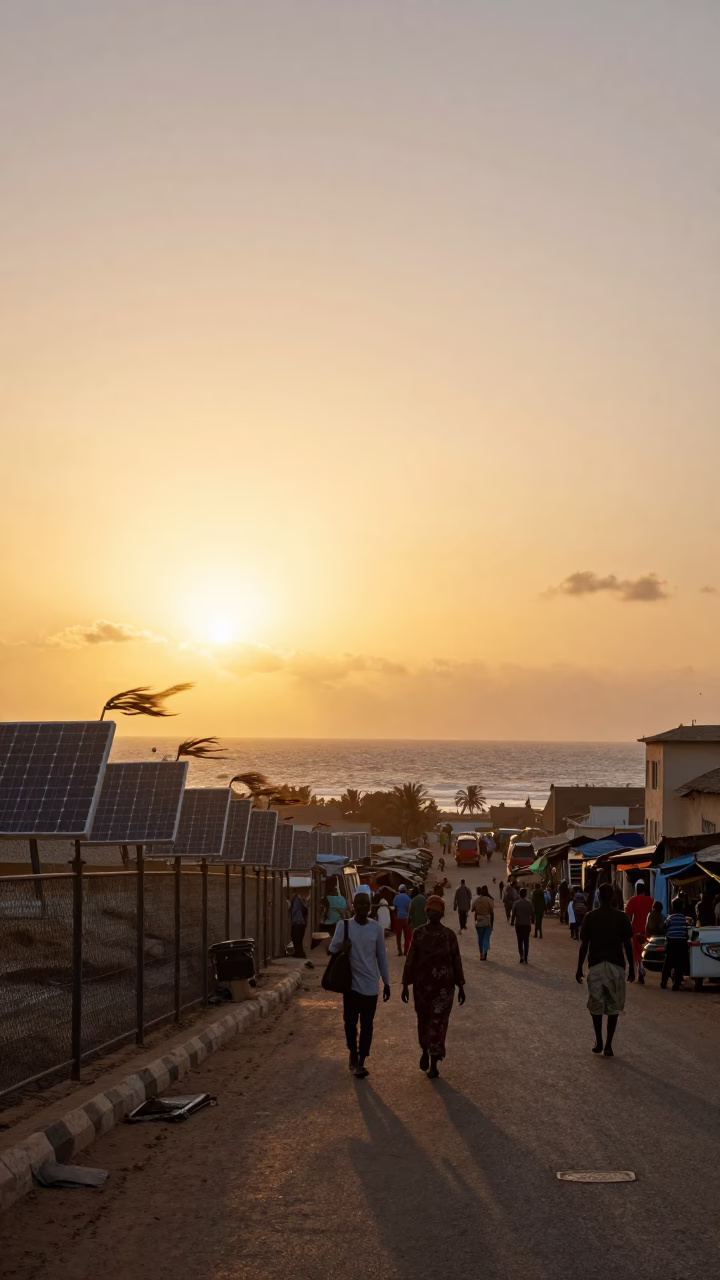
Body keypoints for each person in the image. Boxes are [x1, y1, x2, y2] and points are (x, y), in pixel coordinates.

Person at [401, 895, 466, 1078]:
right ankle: (426, 1051)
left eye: (435, 911)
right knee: (426, 1021)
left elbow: (456, 961)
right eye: (430, 910)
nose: (432, 913)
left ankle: (434, 1060)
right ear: (427, 912)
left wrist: (460, 985)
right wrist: (405, 984)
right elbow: (410, 960)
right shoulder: (423, 934)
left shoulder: (447, 935)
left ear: (440, 914)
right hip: (425, 988)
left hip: (442, 989)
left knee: (438, 1022)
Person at [328, 889, 390, 1079]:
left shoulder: (376, 929)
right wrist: (343, 948)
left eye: (366, 903)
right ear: (353, 906)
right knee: (350, 1023)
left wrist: (386, 982)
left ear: (370, 906)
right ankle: (352, 1054)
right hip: (351, 985)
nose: (363, 907)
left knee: (367, 1025)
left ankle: (361, 1059)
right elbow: (331, 949)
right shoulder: (344, 926)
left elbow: (381, 957)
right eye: (360, 903)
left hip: (371, 986)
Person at [576, 881, 635, 1057]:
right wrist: (632, 967)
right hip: (616, 967)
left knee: (596, 1006)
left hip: (595, 967)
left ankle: (599, 1040)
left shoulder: (590, 917)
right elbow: (628, 944)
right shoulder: (622, 917)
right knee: (613, 1008)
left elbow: (584, 945)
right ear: (614, 898)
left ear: (598, 898)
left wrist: (579, 967)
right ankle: (608, 1044)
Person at [624, 879, 654, 985]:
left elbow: (627, 915)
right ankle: (641, 967)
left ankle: (640, 967)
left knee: (637, 951)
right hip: (647, 930)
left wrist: (627, 928)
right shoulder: (650, 900)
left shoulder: (632, 900)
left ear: (636, 889)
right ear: (644, 889)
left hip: (635, 929)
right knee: (644, 949)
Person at [661, 897, 691, 990]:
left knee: (667, 964)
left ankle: (663, 983)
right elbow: (688, 929)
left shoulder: (670, 918)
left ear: (673, 908)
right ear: (682, 908)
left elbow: (664, 927)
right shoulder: (684, 919)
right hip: (681, 944)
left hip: (671, 943)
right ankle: (676, 985)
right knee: (679, 965)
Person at [511, 886, 533, 962]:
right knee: (526, 941)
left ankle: (521, 956)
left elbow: (513, 914)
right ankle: (526, 957)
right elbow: (532, 914)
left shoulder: (516, 903)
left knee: (520, 941)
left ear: (519, 894)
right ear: (526, 894)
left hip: (519, 924)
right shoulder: (529, 903)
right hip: (527, 924)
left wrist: (512, 922)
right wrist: (532, 921)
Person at [472, 884, 494, 959]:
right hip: (487, 920)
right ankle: (485, 952)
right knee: (486, 938)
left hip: (479, 920)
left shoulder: (476, 899)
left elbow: (472, 909)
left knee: (480, 938)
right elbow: (491, 910)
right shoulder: (488, 900)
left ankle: (481, 953)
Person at [392, 884, 412, 956]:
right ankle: (406, 951)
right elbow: (408, 909)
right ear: (405, 890)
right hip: (406, 919)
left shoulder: (396, 897)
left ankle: (400, 951)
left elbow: (395, 907)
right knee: (407, 936)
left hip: (398, 918)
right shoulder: (408, 898)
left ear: (399, 890)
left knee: (398, 936)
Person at [289, 891, 309, 958]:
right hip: (297, 922)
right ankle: (298, 953)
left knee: (297, 939)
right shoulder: (297, 899)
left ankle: (300, 954)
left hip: (299, 922)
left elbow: (297, 910)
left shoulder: (298, 899)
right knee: (295, 938)